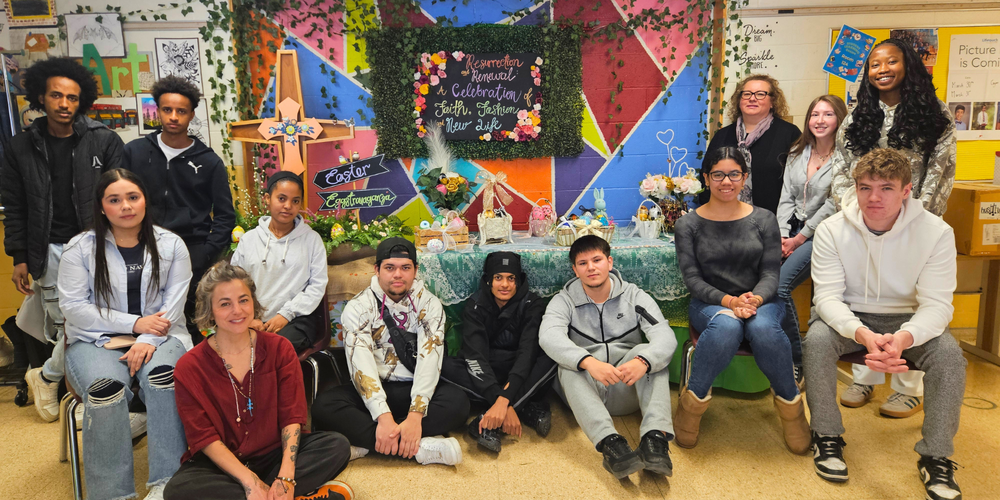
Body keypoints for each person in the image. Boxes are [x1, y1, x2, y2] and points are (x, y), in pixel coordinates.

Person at [804, 148, 965, 500]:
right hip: (850, 317)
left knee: (950, 357)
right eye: (865, 187)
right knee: (815, 341)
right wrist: (862, 334)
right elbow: (827, 299)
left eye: (886, 188)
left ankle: (935, 457)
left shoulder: (936, 232)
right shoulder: (832, 230)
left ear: (907, 190)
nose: (873, 197)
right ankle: (827, 437)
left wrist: (904, 337)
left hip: (910, 319)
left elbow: (937, 305)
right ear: (856, 188)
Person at [828, 38, 956, 418]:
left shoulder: (936, 114)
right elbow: (841, 168)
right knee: (863, 295)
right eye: (874, 64)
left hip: (915, 222)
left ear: (908, 66)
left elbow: (940, 170)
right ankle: (865, 376)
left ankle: (906, 387)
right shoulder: (857, 116)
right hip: (864, 222)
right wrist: (856, 215)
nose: (881, 69)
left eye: (891, 62)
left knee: (909, 297)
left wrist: (915, 220)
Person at [165, 263, 353, 500]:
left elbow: (292, 416)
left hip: (275, 455)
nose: (237, 311)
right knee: (178, 491)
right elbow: (203, 437)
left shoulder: (279, 348)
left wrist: (285, 476)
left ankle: (274, 492)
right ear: (210, 311)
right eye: (225, 304)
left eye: (244, 300)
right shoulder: (189, 366)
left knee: (336, 445)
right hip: (224, 467)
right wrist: (249, 481)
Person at [2, 57, 124, 422]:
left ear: (81, 100)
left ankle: (48, 376)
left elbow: (122, 197)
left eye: (72, 97)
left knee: (101, 323)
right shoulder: (19, 147)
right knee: (66, 328)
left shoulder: (104, 140)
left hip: (99, 247)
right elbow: (15, 204)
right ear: (41, 96)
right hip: (50, 250)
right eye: (56, 95)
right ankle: (82, 396)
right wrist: (20, 255)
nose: (64, 104)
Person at [60, 169, 190, 500]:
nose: (126, 206)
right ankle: (112, 495)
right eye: (114, 200)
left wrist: (146, 339)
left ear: (144, 200)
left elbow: (172, 307)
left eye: (133, 197)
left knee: (165, 378)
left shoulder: (171, 244)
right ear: (102, 208)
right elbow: (74, 307)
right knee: (107, 391)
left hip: (159, 337)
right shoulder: (80, 248)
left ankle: (167, 483)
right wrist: (135, 324)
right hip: (95, 341)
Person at [673, 146, 810, 455]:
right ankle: (691, 406)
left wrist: (755, 299)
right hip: (710, 303)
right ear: (706, 178)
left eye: (734, 174)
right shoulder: (688, 225)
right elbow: (693, 280)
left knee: (762, 329)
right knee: (726, 328)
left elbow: (771, 273)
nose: (726, 181)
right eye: (718, 174)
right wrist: (730, 302)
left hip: (761, 300)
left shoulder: (764, 219)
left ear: (744, 178)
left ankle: (792, 411)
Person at [311, 238, 470, 466]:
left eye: (405, 268)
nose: (398, 274)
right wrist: (382, 415)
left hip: (413, 387)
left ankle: (372, 442)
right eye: (389, 268)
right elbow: (361, 366)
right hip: (375, 387)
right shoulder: (359, 307)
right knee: (323, 407)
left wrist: (416, 414)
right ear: (376, 270)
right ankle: (420, 448)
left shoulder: (429, 304)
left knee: (459, 403)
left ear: (415, 270)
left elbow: (430, 359)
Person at [538, 235, 676, 479]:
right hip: (586, 392)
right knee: (568, 365)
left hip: (626, 384)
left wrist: (643, 362)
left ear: (609, 263)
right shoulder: (564, 300)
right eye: (583, 263)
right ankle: (610, 444)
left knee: (653, 357)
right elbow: (548, 336)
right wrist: (588, 362)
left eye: (597, 260)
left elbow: (664, 335)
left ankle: (655, 439)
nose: (591, 267)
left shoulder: (635, 296)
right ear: (575, 269)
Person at [123, 75, 235, 346]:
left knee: (192, 325)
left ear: (191, 115)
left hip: (192, 252)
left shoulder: (208, 161)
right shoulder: (134, 153)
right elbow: (116, 201)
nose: (173, 117)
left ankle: (192, 379)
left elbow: (225, 215)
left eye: (181, 111)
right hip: (142, 248)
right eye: (167, 110)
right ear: (158, 111)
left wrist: (206, 253)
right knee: (145, 319)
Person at [441, 251, 556, 454]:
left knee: (551, 358)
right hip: (488, 370)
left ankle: (488, 419)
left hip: (519, 369)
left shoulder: (532, 304)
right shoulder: (475, 305)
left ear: (519, 281)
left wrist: (502, 401)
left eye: (511, 278)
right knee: (445, 366)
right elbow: (475, 357)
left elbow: (527, 352)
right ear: (488, 281)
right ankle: (523, 407)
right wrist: (503, 401)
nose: (505, 285)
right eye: (498, 278)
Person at [775, 95, 848, 386]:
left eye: (828, 114)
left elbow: (835, 203)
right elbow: (786, 196)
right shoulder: (797, 152)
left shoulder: (846, 158)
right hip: (791, 232)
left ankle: (798, 360)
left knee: (779, 287)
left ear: (840, 120)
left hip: (827, 234)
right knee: (765, 280)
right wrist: (782, 234)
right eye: (814, 114)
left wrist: (800, 238)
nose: (819, 120)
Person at [231, 171, 328, 354]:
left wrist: (286, 314)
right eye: (281, 198)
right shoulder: (249, 239)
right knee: (230, 346)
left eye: (295, 201)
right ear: (267, 199)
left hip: (297, 319)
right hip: (251, 318)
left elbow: (317, 285)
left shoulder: (311, 240)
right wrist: (248, 316)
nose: (288, 206)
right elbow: (235, 283)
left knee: (272, 349)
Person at [700, 74, 802, 215]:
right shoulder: (722, 136)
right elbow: (706, 178)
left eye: (760, 94)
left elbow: (798, 183)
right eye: (746, 94)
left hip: (773, 221)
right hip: (725, 219)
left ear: (773, 101)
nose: (752, 98)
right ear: (739, 100)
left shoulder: (789, 134)